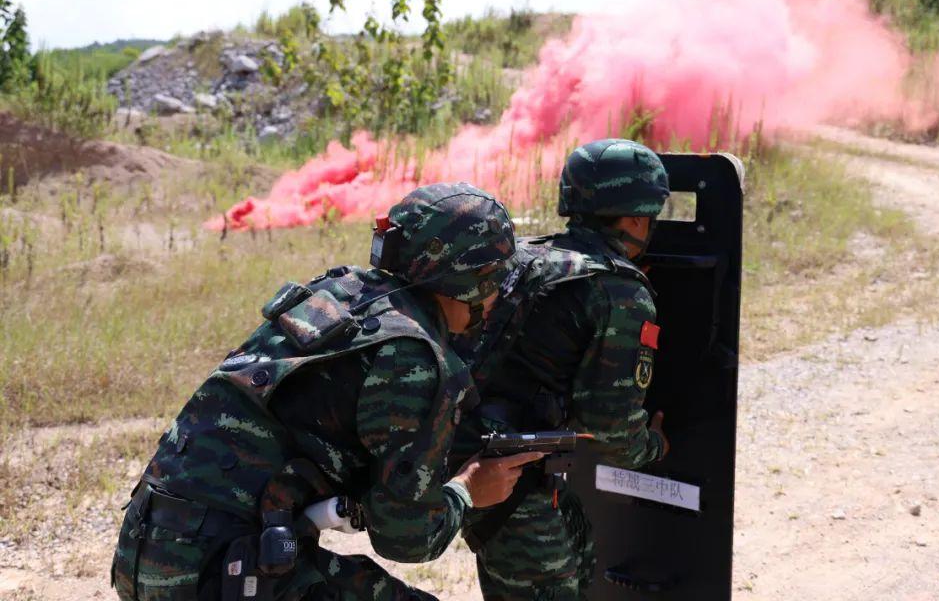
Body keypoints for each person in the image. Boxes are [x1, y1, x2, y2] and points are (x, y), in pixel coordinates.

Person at [111, 182, 542, 601]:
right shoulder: (414, 355)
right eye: (495, 281)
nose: (496, 299)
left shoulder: (337, 293)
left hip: (148, 546)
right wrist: (470, 489)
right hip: (219, 571)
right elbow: (408, 539)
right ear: (473, 280)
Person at [455, 139, 672, 601]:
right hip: (510, 474)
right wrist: (652, 446)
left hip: (481, 458)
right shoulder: (619, 290)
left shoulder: (525, 256)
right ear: (636, 217)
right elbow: (612, 431)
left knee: (576, 551)